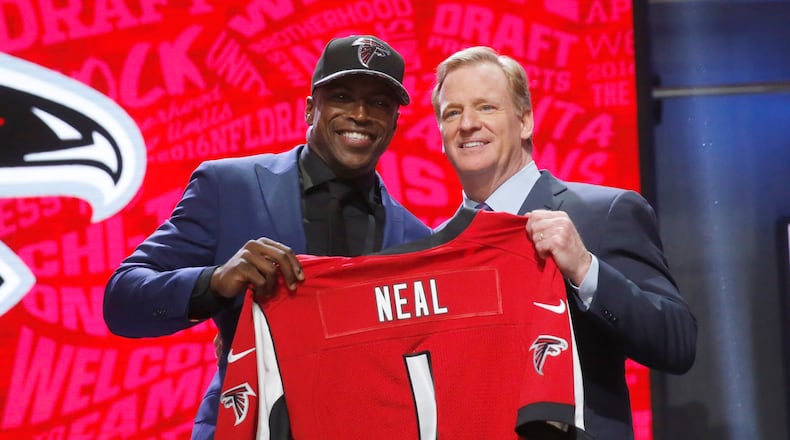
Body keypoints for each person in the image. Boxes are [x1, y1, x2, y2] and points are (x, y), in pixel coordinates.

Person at [103, 35, 431, 439]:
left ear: (395, 122)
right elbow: (121, 300)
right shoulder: (228, 187)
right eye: (343, 96)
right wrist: (215, 282)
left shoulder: (419, 239)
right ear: (311, 109)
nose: (361, 114)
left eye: (380, 103)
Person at [431, 46, 697, 439]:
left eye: (486, 107)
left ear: (524, 121)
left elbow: (676, 342)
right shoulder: (435, 248)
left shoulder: (605, 212)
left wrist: (585, 269)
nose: (468, 123)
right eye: (452, 112)